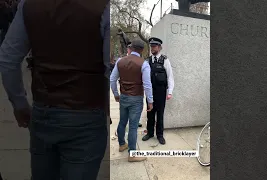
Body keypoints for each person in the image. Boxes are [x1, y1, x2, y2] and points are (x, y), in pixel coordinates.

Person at [0, 0, 110, 179]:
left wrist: (20, 105)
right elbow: (107, 66)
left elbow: (7, 60)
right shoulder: (103, 6)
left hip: (44, 111)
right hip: (86, 114)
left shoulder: (29, 5)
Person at [110, 38, 153, 162]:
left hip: (123, 97)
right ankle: (132, 154)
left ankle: (122, 144)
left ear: (131, 48)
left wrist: (116, 94)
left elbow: (112, 80)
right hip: (136, 98)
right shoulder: (144, 64)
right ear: (142, 50)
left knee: (122, 122)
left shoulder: (120, 61)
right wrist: (150, 101)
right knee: (133, 126)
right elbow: (147, 84)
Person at [142, 37, 174, 145]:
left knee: (160, 114)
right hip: (150, 92)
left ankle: (160, 135)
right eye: (151, 46)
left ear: (159, 47)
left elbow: (170, 77)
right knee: (150, 113)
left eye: (154, 46)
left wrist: (170, 92)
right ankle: (150, 133)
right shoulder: (147, 61)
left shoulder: (165, 60)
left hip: (161, 92)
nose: (152, 48)